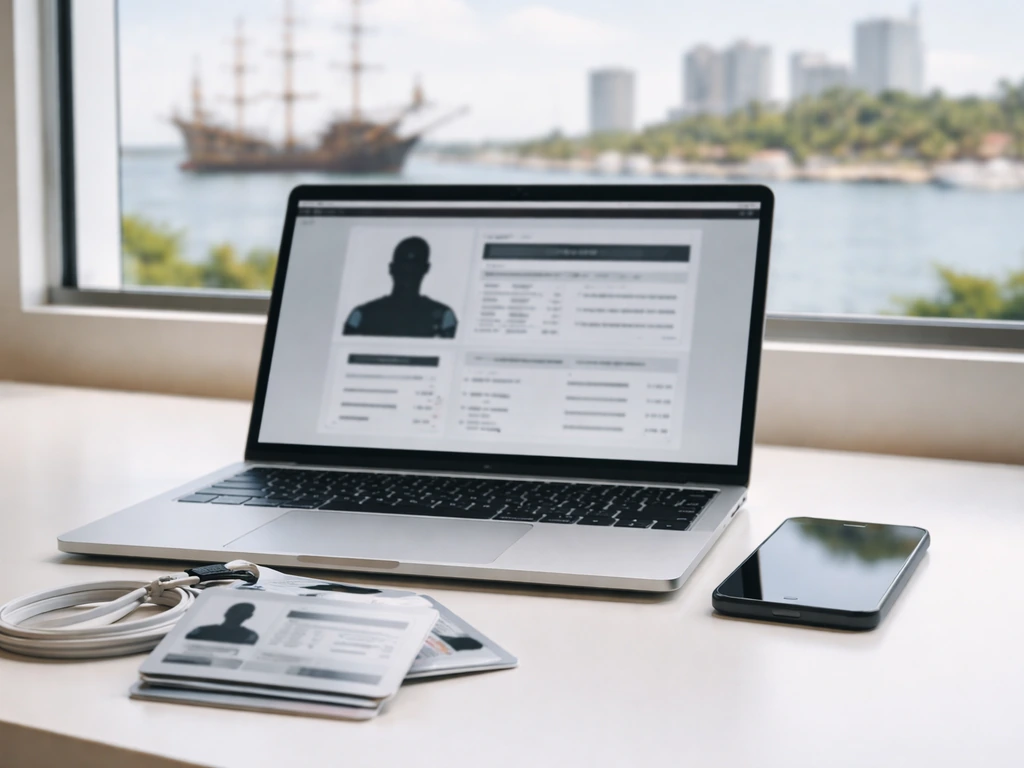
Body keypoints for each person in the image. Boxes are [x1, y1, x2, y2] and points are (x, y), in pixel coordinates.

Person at [343, 236, 458, 338]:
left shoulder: (444, 317)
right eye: (404, 263)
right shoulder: (361, 315)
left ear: (426, 268)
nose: (408, 269)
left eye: (414, 264)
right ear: (392, 267)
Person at [185, 602, 259, 645]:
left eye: (242, 613)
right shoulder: (202, 630)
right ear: (227, 612)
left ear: (248, 616)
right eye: (235, 611)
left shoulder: (249, 635)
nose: (237, 615)